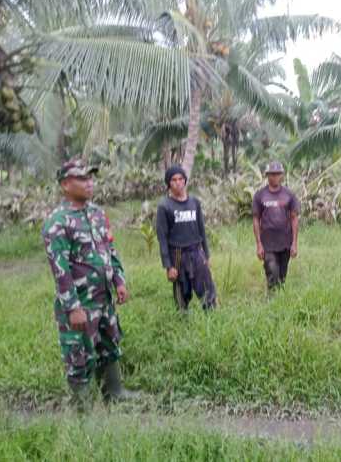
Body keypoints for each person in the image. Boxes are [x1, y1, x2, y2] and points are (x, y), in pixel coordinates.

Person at [42, 158, 137, 410]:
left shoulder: (97, 214)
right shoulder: (57, 222)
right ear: (65, 184)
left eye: (90, 178)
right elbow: (60, 270)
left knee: (110, 345)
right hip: (80, 303)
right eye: (82, 178)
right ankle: (83, 410)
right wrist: (73, 307)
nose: (89, 183)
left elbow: (109, 248)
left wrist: (119, 280)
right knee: (79, 356)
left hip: (103, 299)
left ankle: (114, 393)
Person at [156, 165, 217, 312]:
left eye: (181, 179)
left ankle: (212, 317)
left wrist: (206, 255)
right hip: (177, 254)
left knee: (207, 287)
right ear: (169, 183)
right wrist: (168, 266)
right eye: (174, 180)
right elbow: (162, 238)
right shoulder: (164, 206)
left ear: (185, 181)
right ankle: (182, 320)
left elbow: (201, 229)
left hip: (196, 251)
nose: (178, 182)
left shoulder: (194, 203)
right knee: (182, 292)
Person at [252, 162, 300, 291]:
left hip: (285, 242)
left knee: (282, 277)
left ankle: (279, 300)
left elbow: (294, 218)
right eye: (272, 174)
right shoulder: (260, 195)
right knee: (272, 270)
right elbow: (256, 219)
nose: (275, 177)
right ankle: (271, 298)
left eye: (277, 174)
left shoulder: (289, 195)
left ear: (281, 175)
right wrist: (258, 244)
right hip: (267, 243)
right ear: (267, 176)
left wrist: (294, 243)